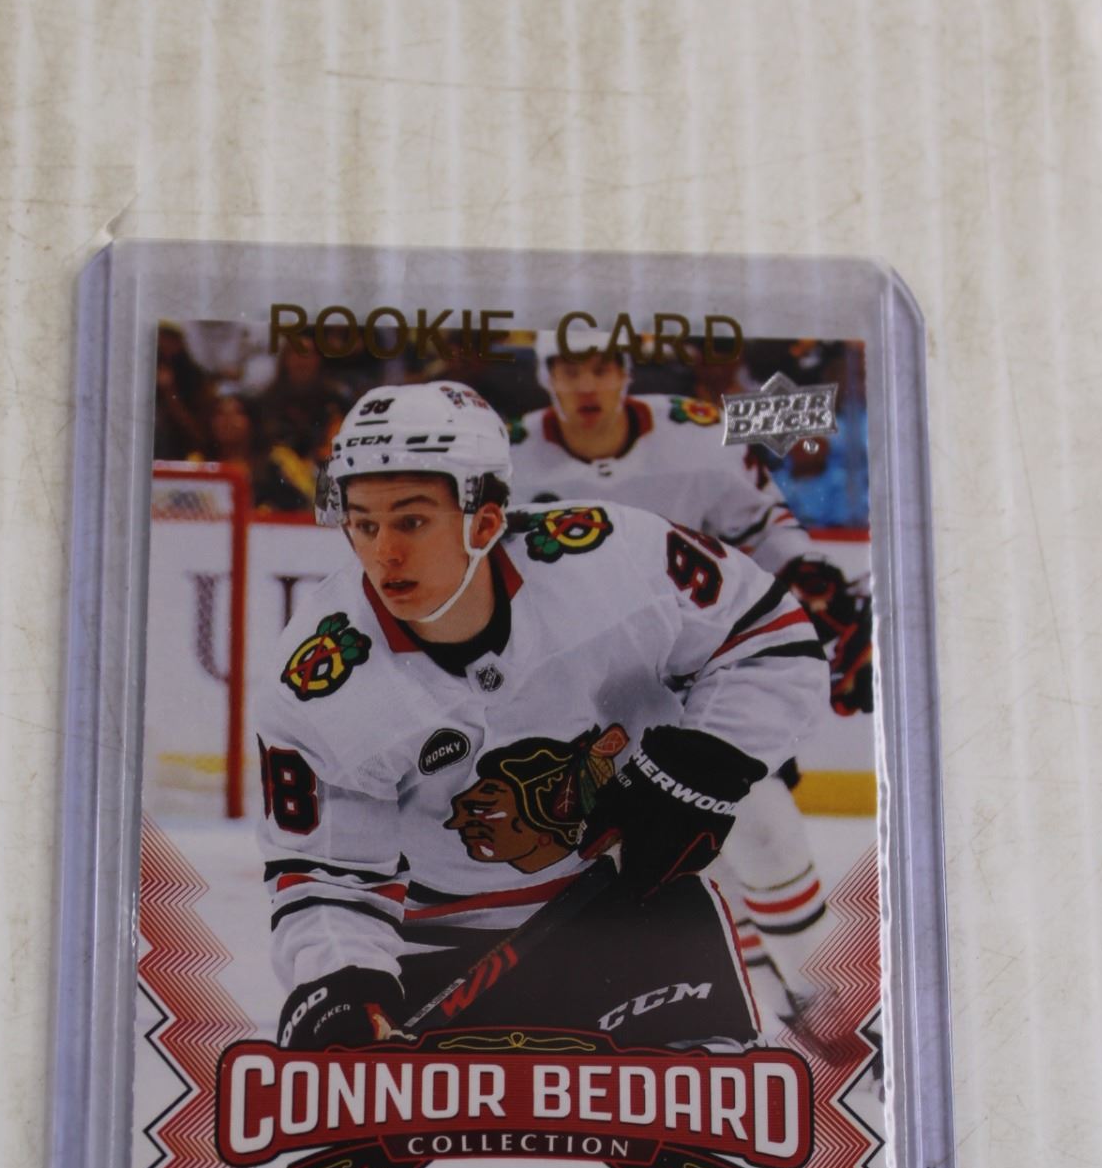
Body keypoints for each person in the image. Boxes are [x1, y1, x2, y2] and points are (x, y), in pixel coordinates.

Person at [253, 380, 828, 1055]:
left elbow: (768, 637)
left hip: (634, 917)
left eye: (411, 521)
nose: (384, 555)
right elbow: (326, 877)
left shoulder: (616, 559)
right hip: (433, 952)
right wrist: (344, 981)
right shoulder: (318, 684)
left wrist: (702, 765)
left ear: (485, 521)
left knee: (697, 1113)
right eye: (364, 523)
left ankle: (834, 1003)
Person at [508, 333, 873, 1027]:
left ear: (625, 371)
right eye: (569, 369)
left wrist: (812, 584)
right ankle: (772, 1005)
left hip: (707, 668)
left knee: (762, 830)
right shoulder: (502, 456)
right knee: (676, 862)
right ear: (546, 375)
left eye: (600, 367)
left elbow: (769, 529)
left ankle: (825, 996)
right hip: (581, 690)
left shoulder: (699, 433)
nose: (586, 385)